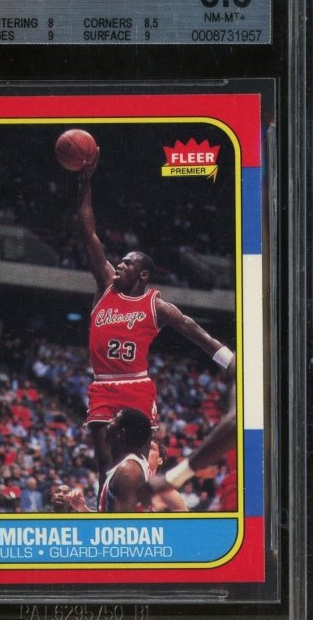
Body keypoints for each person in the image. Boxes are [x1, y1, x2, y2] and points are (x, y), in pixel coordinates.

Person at [78, 159, 236, 489]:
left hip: (136, 384)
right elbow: (89, 234)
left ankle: (142, 508)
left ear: (144, 274)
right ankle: (105, 508)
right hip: (103, 384)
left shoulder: (156, 305)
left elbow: (193, 330)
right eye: (120, 261)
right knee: (104, 464)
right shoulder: (105, 286)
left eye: (127, 263)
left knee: (138, 464)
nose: (119, 265)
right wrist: (85, 182)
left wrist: (229, 361)